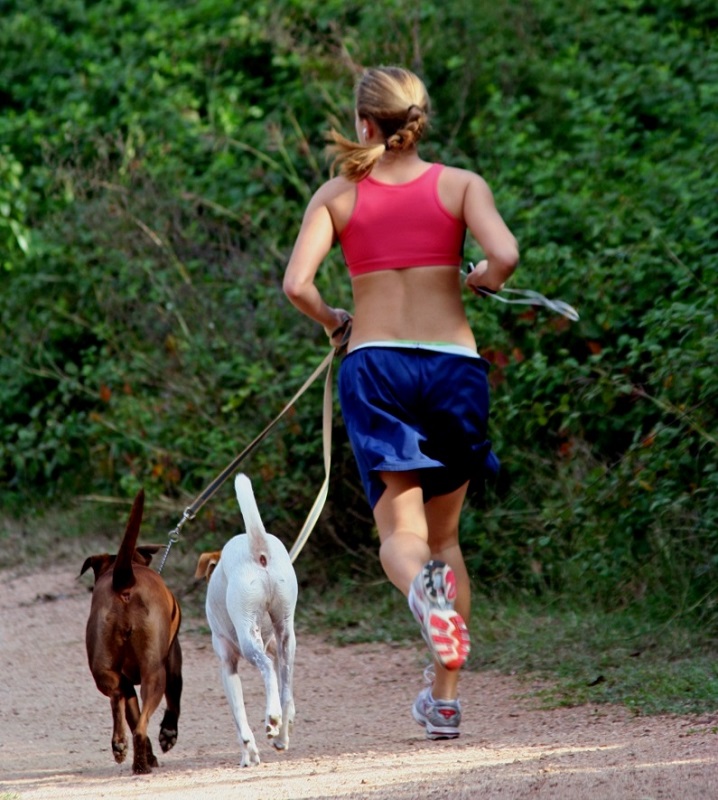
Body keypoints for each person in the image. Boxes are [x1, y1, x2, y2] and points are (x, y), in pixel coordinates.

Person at [283, 65, 519, 739]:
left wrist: (334, 320)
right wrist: (483, 278)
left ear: (365, 124)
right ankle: (443, 701)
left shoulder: (338, 195)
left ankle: (422, 592)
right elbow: (505, 253)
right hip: (454, 367)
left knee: (401, 539)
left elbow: (297, 283)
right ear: (419, 119)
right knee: (444, 539)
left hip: (378, 366)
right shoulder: (461, 185)